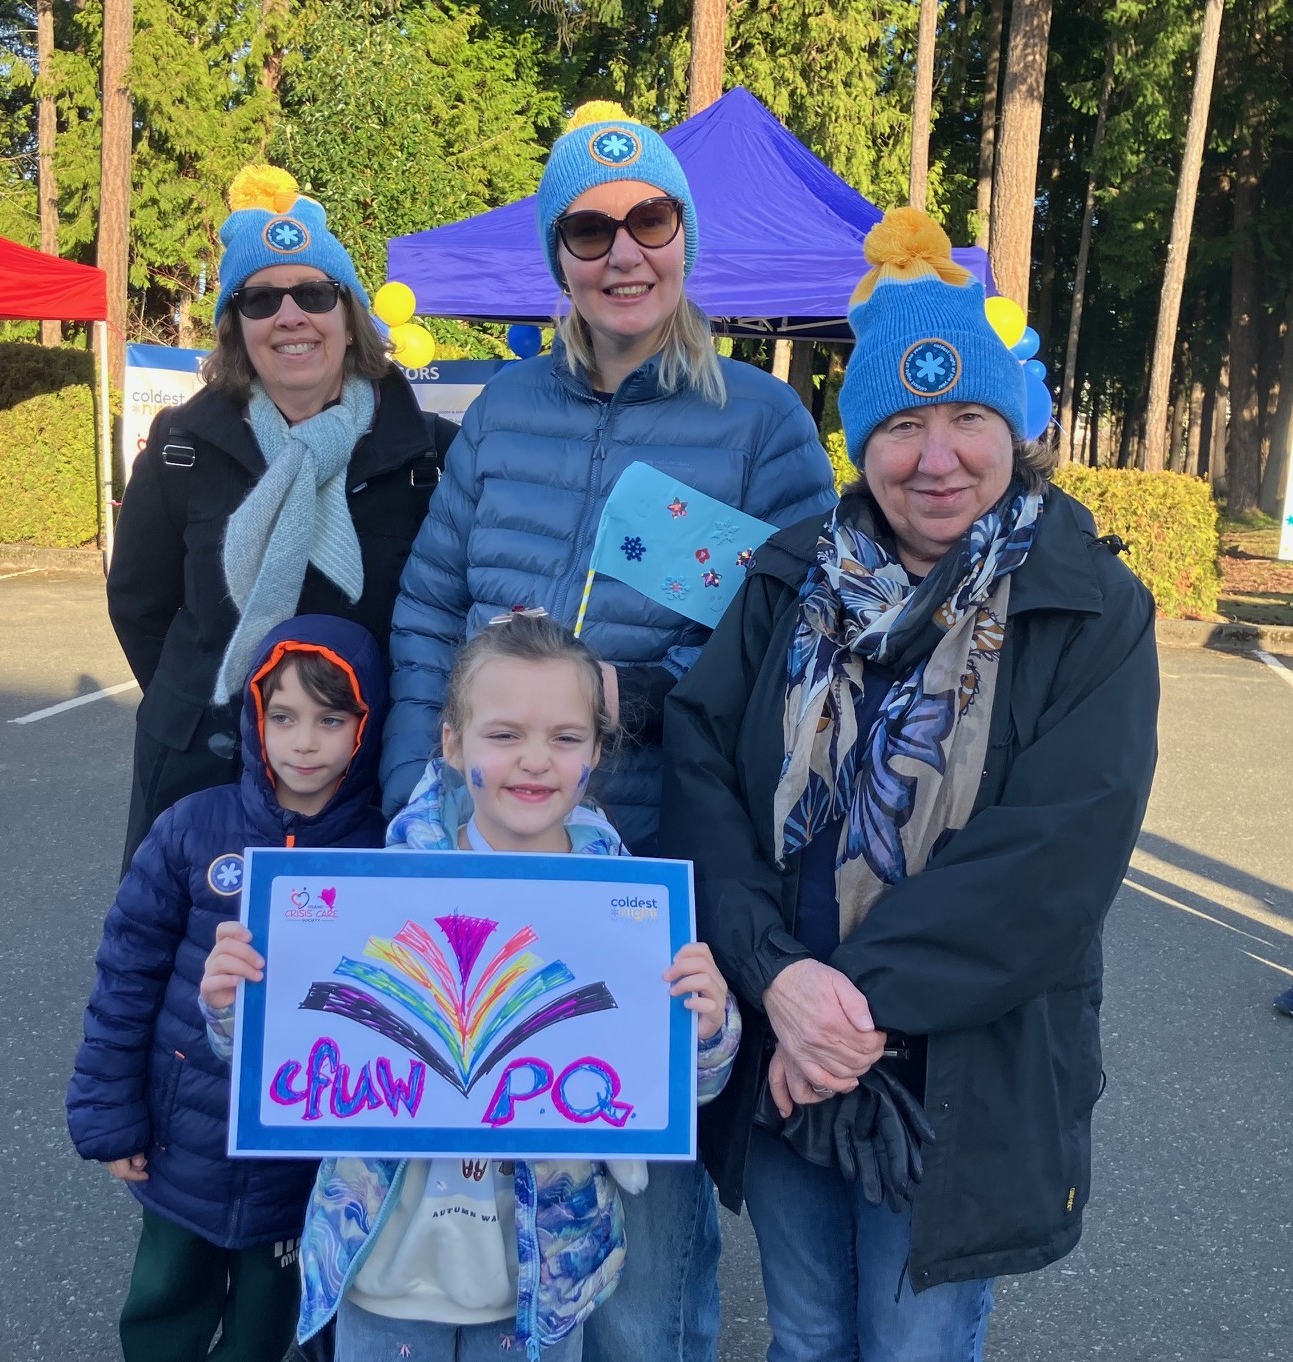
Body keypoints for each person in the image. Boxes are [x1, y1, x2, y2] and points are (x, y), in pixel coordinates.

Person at [661, 208, 1161, 1362]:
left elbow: (1052, 860)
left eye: (966, 418)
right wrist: (774, 977)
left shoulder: (1088, 607)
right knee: (806, 1336)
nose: (936, 459)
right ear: (860, 443)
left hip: (952, 1073)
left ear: (1012, 429)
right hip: (787, 1044)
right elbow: (701, 767)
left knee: (911, 1347)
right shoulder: (791, 576)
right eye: (900, 425)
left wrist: (829, 1007)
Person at [383, 102, 835, 1361]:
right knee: (468, 1217)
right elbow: (426, 613)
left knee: (639, 1259)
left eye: (649, 220)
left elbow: (798, 649)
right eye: (589, 230)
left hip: (649, 874)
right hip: (476, 863)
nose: (623, 251)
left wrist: (623, 698)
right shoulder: (498, 411)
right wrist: (408, 808)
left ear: (684, 235)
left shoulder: (761, 423)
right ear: (557, 255)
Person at [204, 610, 741, 1361]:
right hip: (383, 1265)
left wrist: (709, 1029)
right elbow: (283, 1061)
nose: (535, 761)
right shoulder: (379, 893)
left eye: (566, 738)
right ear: (453, 745)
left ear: (598, 750)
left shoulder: (633, 913)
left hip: (542, 1281)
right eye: (504, 734)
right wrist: (237, 1006)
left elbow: (680, 1089)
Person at [108, 164, 456, 873]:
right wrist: (219, 705)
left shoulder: (429, 456)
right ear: (237, 327)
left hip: (365, 785)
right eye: (261, 299)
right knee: (179, 943)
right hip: (201, 772)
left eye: (314, 293)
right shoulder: (182, 446)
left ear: (349, 316)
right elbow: (141, 606)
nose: (290, 316)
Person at [67, 614, 389, 1362]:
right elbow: (124, 980)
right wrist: (112, 1116)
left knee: (270, 1327)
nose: (303, 742)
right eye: (283, 717)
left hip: (299, 1166)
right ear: (255, 717)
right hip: (184, 1144)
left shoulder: (381, 851)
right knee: (164, 1306)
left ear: (366, 725)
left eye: (330, 719)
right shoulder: (191, 828)